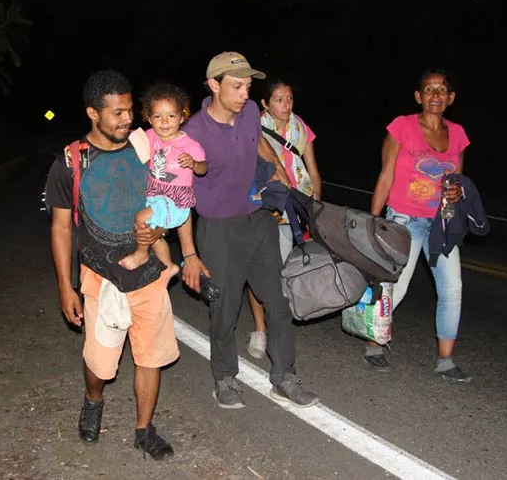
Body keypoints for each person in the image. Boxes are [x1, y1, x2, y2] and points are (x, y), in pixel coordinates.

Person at [44, 70, 179, 460]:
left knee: (150, 355)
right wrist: (65, 286)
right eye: (117, 112)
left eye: (130, 110)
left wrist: (165, 234)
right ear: (93, 113)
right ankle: (92, 398)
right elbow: (60, 229)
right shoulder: (71, 161)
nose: (127, 119)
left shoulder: (144, 146)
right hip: (100, 276)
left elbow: (174, 190)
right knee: (101, 363)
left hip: (150, 270)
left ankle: (144, 429)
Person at [177, 51, 320, 409]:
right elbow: (178, 198)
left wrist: (277, 171)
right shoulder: (193, 133)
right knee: (224, 308)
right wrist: (190, 255)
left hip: (259, 221)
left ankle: (284, 376)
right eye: (237, 86)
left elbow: (259, 141)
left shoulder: (251, 113)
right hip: (218, 229)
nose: (245, 94)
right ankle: (224, 378)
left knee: (278, 300)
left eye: (248, 86)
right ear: (213, 85)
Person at [363, 67, 473, 383]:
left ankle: (446, 360)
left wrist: (456, 191)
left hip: (440, 223)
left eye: (441, 90)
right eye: (429, 89)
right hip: (404, 219)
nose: (435, 95)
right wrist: (374, 220)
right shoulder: (402, 127)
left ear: (450, 98)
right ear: (418, 96)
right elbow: (385, 176)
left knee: (452, 288)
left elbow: (456, 180)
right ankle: (374, 345)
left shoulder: (458, 134)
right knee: (396, 287)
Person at [246, 78, 323, 359]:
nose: (286, 105)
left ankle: (277, 325)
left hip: (293, 209)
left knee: (281, 272)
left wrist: (315, 208)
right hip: (264, 207)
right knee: (261, 272)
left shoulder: (300, 128)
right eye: (279, 99)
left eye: (289, 98)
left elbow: (312, 169)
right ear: (265, 103)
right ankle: (260, 329)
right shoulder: (253, 128)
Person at [119, 83, 207, 275]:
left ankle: (141, 254)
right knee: (154, 235)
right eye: (158, 116)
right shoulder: (150, 136)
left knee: (140, 218)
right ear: (149, 119)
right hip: (155, 193)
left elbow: (203, 169)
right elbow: (129, 137)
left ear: (182, 117)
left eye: (171, 116)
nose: (164, 122)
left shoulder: (190, 145)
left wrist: (193, 164)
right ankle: (168, 265)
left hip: (176, 199)